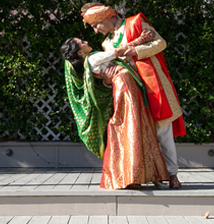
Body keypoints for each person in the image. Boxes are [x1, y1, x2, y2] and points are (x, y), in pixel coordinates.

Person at [81, 3, 185, 189]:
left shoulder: (135, 23)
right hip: (129, 93)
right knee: (139, 132)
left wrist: (136, 50)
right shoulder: (106, 43)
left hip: (152, 84)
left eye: (96, 26)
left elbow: (160, 43)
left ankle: (172, 174)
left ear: (104, 18)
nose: (96, 31)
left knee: (163, 131)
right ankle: (149, 173)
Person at [60, 37, 168, 189]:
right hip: (125, 86)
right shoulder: (92, 59)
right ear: (79, 52)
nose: (86, 41)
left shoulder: (90, 63)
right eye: (82, 43)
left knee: (137, 125)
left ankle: (143, 173)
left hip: (126, 85)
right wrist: (142, 39)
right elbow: (119, 51)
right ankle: (132, 176)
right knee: (133, 126)